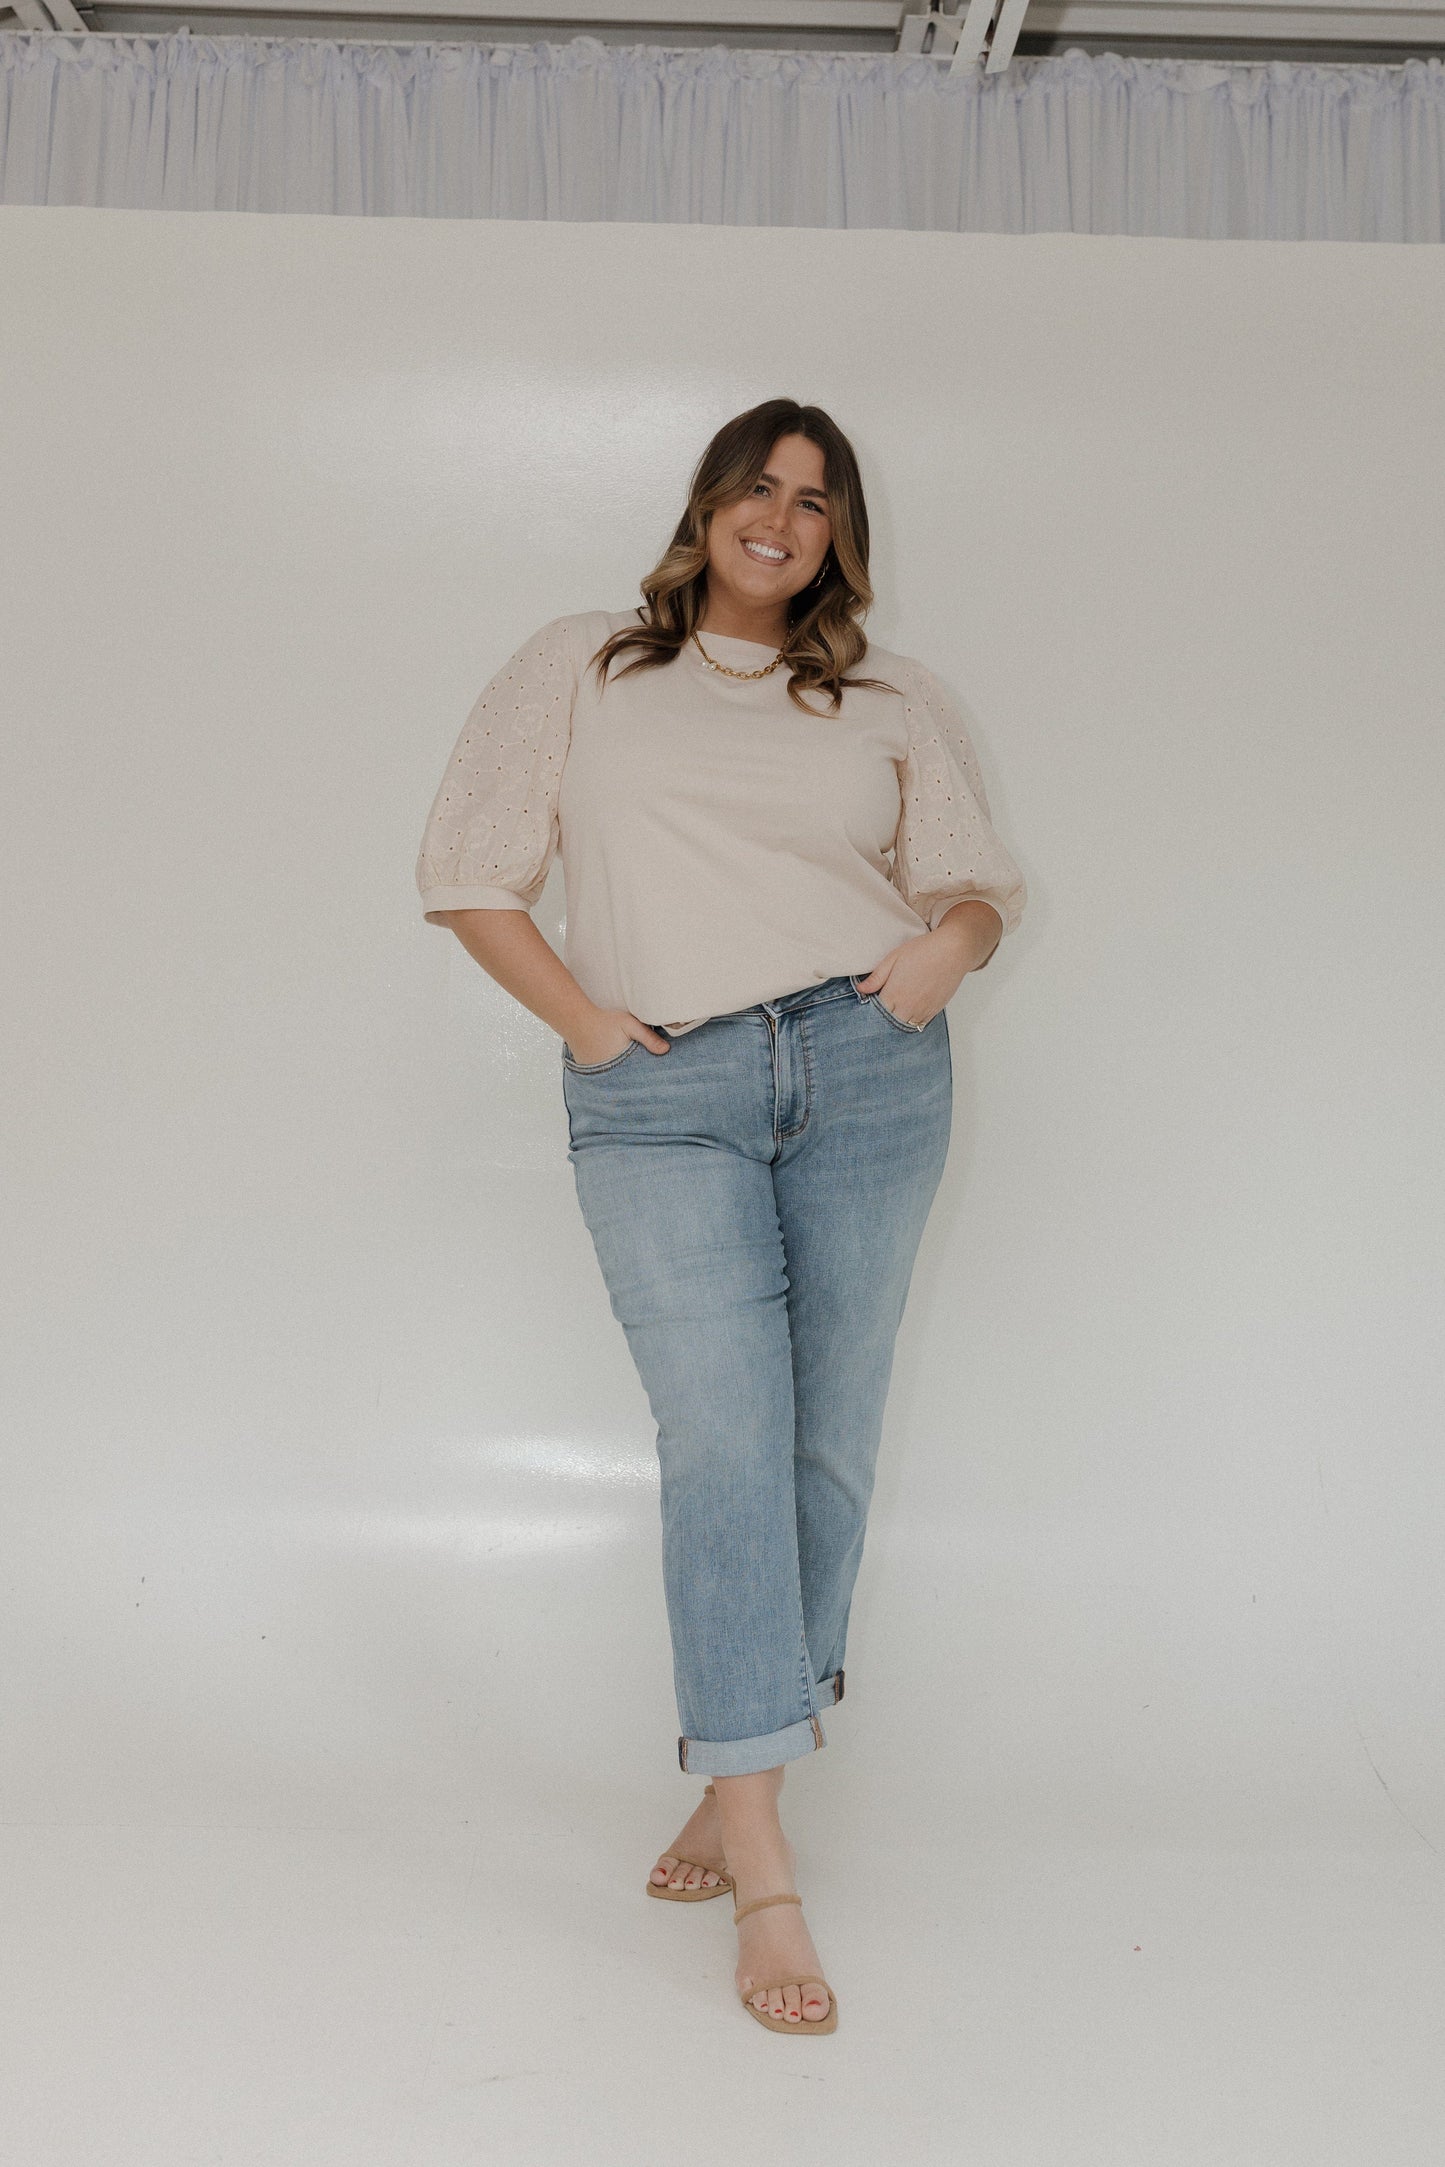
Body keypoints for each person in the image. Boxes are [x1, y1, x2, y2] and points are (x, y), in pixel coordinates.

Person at [415, 397, 1027, 2035]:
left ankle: (730, 1769)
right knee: (724, 1439)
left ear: (841, 540)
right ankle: (762, 1853)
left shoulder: (890, 698)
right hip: (660, 1091)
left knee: (827, 1438)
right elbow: (469, 868)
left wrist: (942, 955)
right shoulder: (587, 665)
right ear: (705, 509)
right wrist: (589, 1025)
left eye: (816, 501)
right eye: (759, 487)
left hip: (869, 1063)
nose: (783, 517)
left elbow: (974, 878)